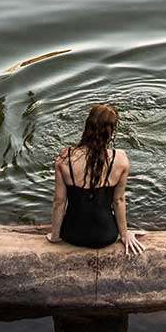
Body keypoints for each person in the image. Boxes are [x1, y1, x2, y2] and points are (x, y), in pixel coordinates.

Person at [48, 103, 144, 256]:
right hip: (106, 235)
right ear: (111, 132)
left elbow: (59, 202)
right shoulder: (120, 159)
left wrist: (54, 236)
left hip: (72, 234)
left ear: (87, 126)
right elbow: (118, 200)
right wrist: (124, 234)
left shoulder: (65, 157)